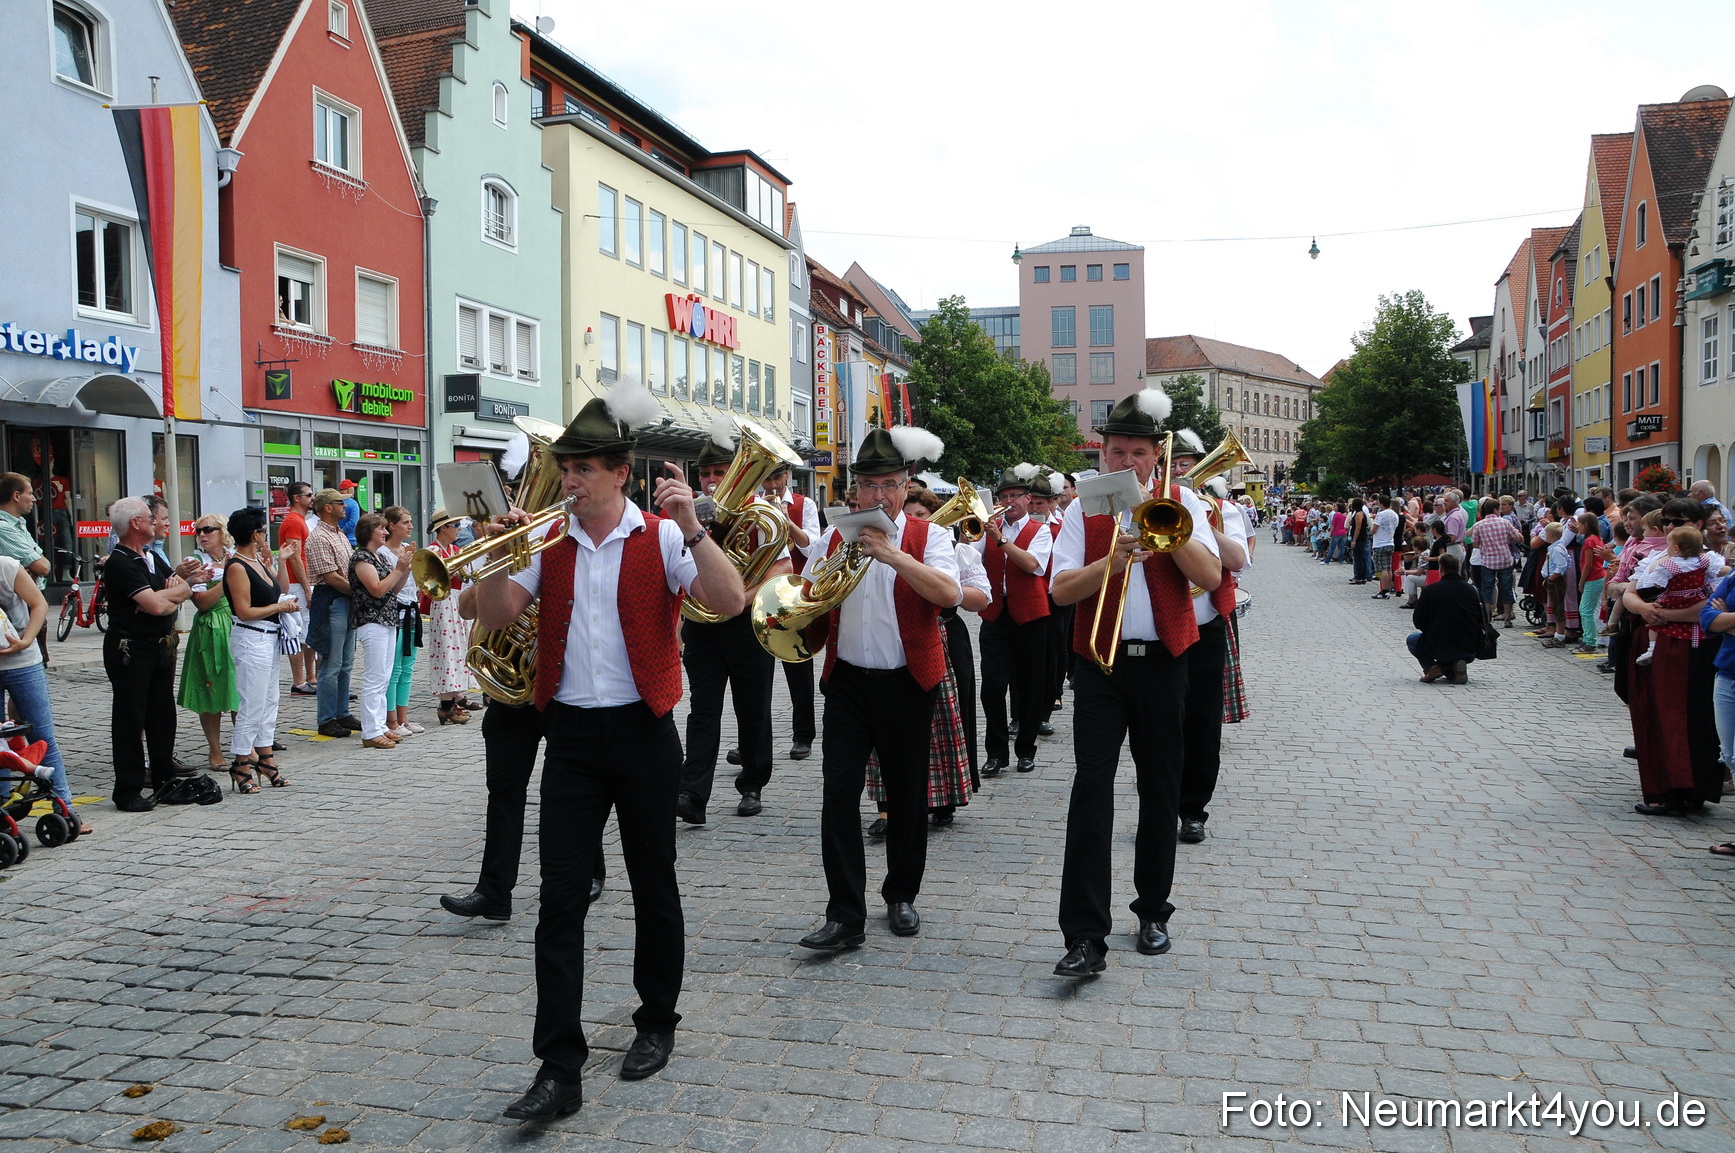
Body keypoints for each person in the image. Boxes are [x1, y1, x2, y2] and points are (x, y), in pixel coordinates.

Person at [473, 390, 744, 1120]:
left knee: (654, 885)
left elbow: (730, 600)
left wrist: (693, 527)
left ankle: (656, 1021)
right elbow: (489, 612)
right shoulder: (548, 541)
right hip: (569, 738)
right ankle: (558, 1066)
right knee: (558, 902)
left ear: (620, 473)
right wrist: (496, 558)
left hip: (645, 733)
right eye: (565, 468)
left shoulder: (659, 536)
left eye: (583, 468)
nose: (569, 480)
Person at [1049, 388, 1222, 976]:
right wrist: (1111, 562)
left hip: (1167, 662)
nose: (1124, 462)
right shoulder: (1082, 510)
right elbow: (1060, 591)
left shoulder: (1183, 501)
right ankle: (1084, 934)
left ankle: (1153, 910)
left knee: (1159, 789)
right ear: (1102, 454)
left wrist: (1167, 540)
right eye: (1115, 451)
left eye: (1136, 452)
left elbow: (1213, 574)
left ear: (1155, 456)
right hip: (1099, 663)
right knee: (1091, 792)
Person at [795, 426, 961, 953]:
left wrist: (894, 556)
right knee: (838, 796)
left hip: (908, 683)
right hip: (847, 682)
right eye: (870, 485)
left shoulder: (929, 535)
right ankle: (845, 912)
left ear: (905, 484)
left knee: (907, 794)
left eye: (890, 484)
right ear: (855, 490)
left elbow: (949, 594)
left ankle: (901, 894)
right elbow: (808, 600)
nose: (880, 496)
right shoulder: (832, 536)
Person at [441, 538, 606, 923]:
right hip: (510, 693)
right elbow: (467, 609)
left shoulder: (567, 548)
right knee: (503, 793)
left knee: (572, 791)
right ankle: (494, 892)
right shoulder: (498, 548)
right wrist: (494, 572)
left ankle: (590, 871)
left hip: (560, 689)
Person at [676, 432, 789, 824]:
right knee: (702, 711)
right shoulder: (689, 512)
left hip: (746, 627)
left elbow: (782, 569)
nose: (710, 479)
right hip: (701, 628)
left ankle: (753, 784)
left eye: (719, 472)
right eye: (705, 473)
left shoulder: (759, 513)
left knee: (752, 710)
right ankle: (693, 793)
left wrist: (739, 596)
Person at [1622, 499, 1725, 815]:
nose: (1668, 527)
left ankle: (1693, 790)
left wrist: (1668, 614)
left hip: (1695, 644)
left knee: (1695, 717)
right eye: (1665, 521)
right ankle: (1665, 788)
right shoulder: (1657, 557)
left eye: (1676, 521)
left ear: (1696, 525)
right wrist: (1645, 609)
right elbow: (1627, 591)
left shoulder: (1708, 561)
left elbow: (1712, 607)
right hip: (1659, 639)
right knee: (1657, 713)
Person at [103, 497, 194, 811]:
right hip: (130, 648)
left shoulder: (150, 557)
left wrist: (167, 596)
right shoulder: (120, 562)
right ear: (134, 524)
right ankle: (127, 790)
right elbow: (157, 604)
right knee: (131, 718)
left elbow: (182, 591)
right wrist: (166, 598)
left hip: (159, 646)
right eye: (150, 518)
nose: (156, 523)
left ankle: (164, 781)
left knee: (162, 717)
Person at [0, 550, 86, 834]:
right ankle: (3, 804)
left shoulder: (7, 566)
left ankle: (64, 806)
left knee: (42, 734)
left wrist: (25, 641)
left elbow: (38, 604)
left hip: (23, 662)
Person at [977, 465, 1053, 776]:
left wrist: (1001, 542)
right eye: (1003, 496)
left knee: (1030, 684)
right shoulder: (988, 527)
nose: (1009, 501)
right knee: (993, 685)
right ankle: (996, 752)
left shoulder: (1040, 529)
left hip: (1031, 615)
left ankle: (1026, 749)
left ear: (1027, 498)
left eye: (1014, 496)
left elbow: (1033, 565)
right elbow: (969, 558)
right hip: (996, 612)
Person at [223, 506, 296, 790]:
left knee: (269, 701)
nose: (266, 535)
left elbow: (280, 588)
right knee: (251, 703)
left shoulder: (259, 562)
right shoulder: (237, 566)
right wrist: (280, 606)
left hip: (269, 636)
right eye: (263, 530)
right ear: (255, 534)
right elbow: (244, 611)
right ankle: (241, 762)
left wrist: (282, 561)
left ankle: (265, 757)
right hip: (251, 637)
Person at [762, 461, 821, 760]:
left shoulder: (804, 504)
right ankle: (755, 740)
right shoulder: (753, 504)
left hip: (793, 596)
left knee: (799, 668)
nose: (771, 485)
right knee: (757, 679)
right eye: (766, 478)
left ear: (787, 476)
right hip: (761, 597)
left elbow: (812, 547)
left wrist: (788, 522)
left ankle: (803, 735)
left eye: (776, 477)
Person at [348, 513, 415, 750]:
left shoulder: (377, 557)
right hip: (371, 620)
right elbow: (377, 589)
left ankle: (379, 726)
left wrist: (405, 567)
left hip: (386, 620)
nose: (386, 533)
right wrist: (398, 569)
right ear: (369, 533)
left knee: (384, 676)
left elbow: (394, 589)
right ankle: (371, 730)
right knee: (375, 677)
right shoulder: (362, 557)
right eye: (381, 530)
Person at [179, 515, 239, 771]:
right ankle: (215, 750)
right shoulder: (195, 563)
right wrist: (229, 580)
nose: (202, 534)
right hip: (211, 627)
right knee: (210, 689)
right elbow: (202, 602)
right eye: (198, 530)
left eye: (208, 530)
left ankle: (244, 745)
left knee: (240, 689)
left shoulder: (236, 555)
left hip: (237, 623)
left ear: (222, 532)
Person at [306, 490, 361, 739]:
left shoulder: (338, 534)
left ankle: (342, 712)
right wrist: (362, 592)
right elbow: (332, 577)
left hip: (344, 599)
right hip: (332, 600)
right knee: (331, 663)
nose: (345, 506)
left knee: (346, 662)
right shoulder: (318, 537)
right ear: (327, 507)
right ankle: (326, 718)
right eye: (340, 502)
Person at [1632, 525, 1725, 667]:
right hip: (1697, 596)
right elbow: (1714, 573)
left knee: (1654, 624)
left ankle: (1652, 647)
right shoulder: (1705, 560)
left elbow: (1656, 584)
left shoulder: (1669, 564)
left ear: (1676, 548)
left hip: (1675, 598)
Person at [378, 506, 423, 739]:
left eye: (411, 522)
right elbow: (394, 585)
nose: (410, 527)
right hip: (395, 613)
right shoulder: (384, 553)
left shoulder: (406, 549)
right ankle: (391, 719)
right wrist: (404, 565)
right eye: (405, 522)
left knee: (407, 667)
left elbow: (414, 583)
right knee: (394, 669)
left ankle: (403, 718)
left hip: (411, 612)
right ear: (392, 526)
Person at [424, 511, 472, 724]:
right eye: (455, 525)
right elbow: (428, 580)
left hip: (457, 600)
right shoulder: (433, 551)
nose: (459, 529)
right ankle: (446, 704)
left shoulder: (455, 549)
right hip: (442, 601)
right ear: (444, 527)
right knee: (446, 650)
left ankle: (454, 698)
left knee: (459, 649)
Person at [1407, 553, 1483, 684]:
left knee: (1412, 640)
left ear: (1440, 569)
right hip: (1469, 645)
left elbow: (1418, 620)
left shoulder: (1431, 590)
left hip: (1438, 643)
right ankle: (1454, 668)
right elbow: (1482, 619)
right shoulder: (1472, 590)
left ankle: (1433, 667)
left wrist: (1431, 630)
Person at [0, 473, 51, 665]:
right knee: (23, 667)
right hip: (18, 609)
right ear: (16, 496)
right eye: (30, 493)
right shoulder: (4, 528)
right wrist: (33, 566)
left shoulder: (18, 524)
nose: (34, 498)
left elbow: (40, 563)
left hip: (31, 604)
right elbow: (43, 566)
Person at [278, 482, 317, 695]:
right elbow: (295, 557)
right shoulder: (294, 521)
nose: (312, 498)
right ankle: (299, 680)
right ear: (296, 498)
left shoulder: (299, 520)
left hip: (300, 582)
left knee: (306, 631)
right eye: (308, 495)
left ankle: (308, 677)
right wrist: (307, 587)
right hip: (296, 583)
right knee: (298, 631)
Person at [1468, 497, 1522, 626]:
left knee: (1487, 588)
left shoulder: (1479, 525)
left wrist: (1485, 545)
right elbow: (1516, 538)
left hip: (1488, 561)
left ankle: (1487, 616)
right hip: (1505, 559)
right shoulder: (1504, 522)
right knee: (1507, 588)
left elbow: (1475, 544)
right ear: (1495, 509)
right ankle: (1507, 618)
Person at [1369, 498, 1401, 599]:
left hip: (1380, 543)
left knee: (1382, 568)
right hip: (1390, 542)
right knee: (1388, 567)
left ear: (1381, 504)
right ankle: (1389, 588)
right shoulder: (1395, 514)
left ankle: (1384, 590)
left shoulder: (1381, 514)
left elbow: (1373, 530)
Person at [337, 478, 361, 544]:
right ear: (349, 490)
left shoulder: (335, 501)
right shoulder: (353, 504)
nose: (354, 491)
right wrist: (342, 530)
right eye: (353, 488)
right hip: (350, 540)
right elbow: (353, 522)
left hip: (336, 539)